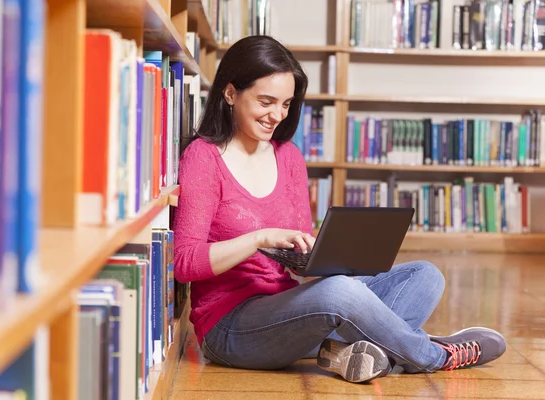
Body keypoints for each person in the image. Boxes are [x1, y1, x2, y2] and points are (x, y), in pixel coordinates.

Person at [171, 35, 506, 384]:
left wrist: (327, 256)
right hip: (231, 327)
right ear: (229, 94)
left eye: (286, 104)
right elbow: (185, 264)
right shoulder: (203, 157)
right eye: (266, 101)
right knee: (340, 294)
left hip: (290, 309)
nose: (277, 115)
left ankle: (356, 354)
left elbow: (299, 248)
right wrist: (259, 238)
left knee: (424, 275)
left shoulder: (288, 158)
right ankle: (431, 354)